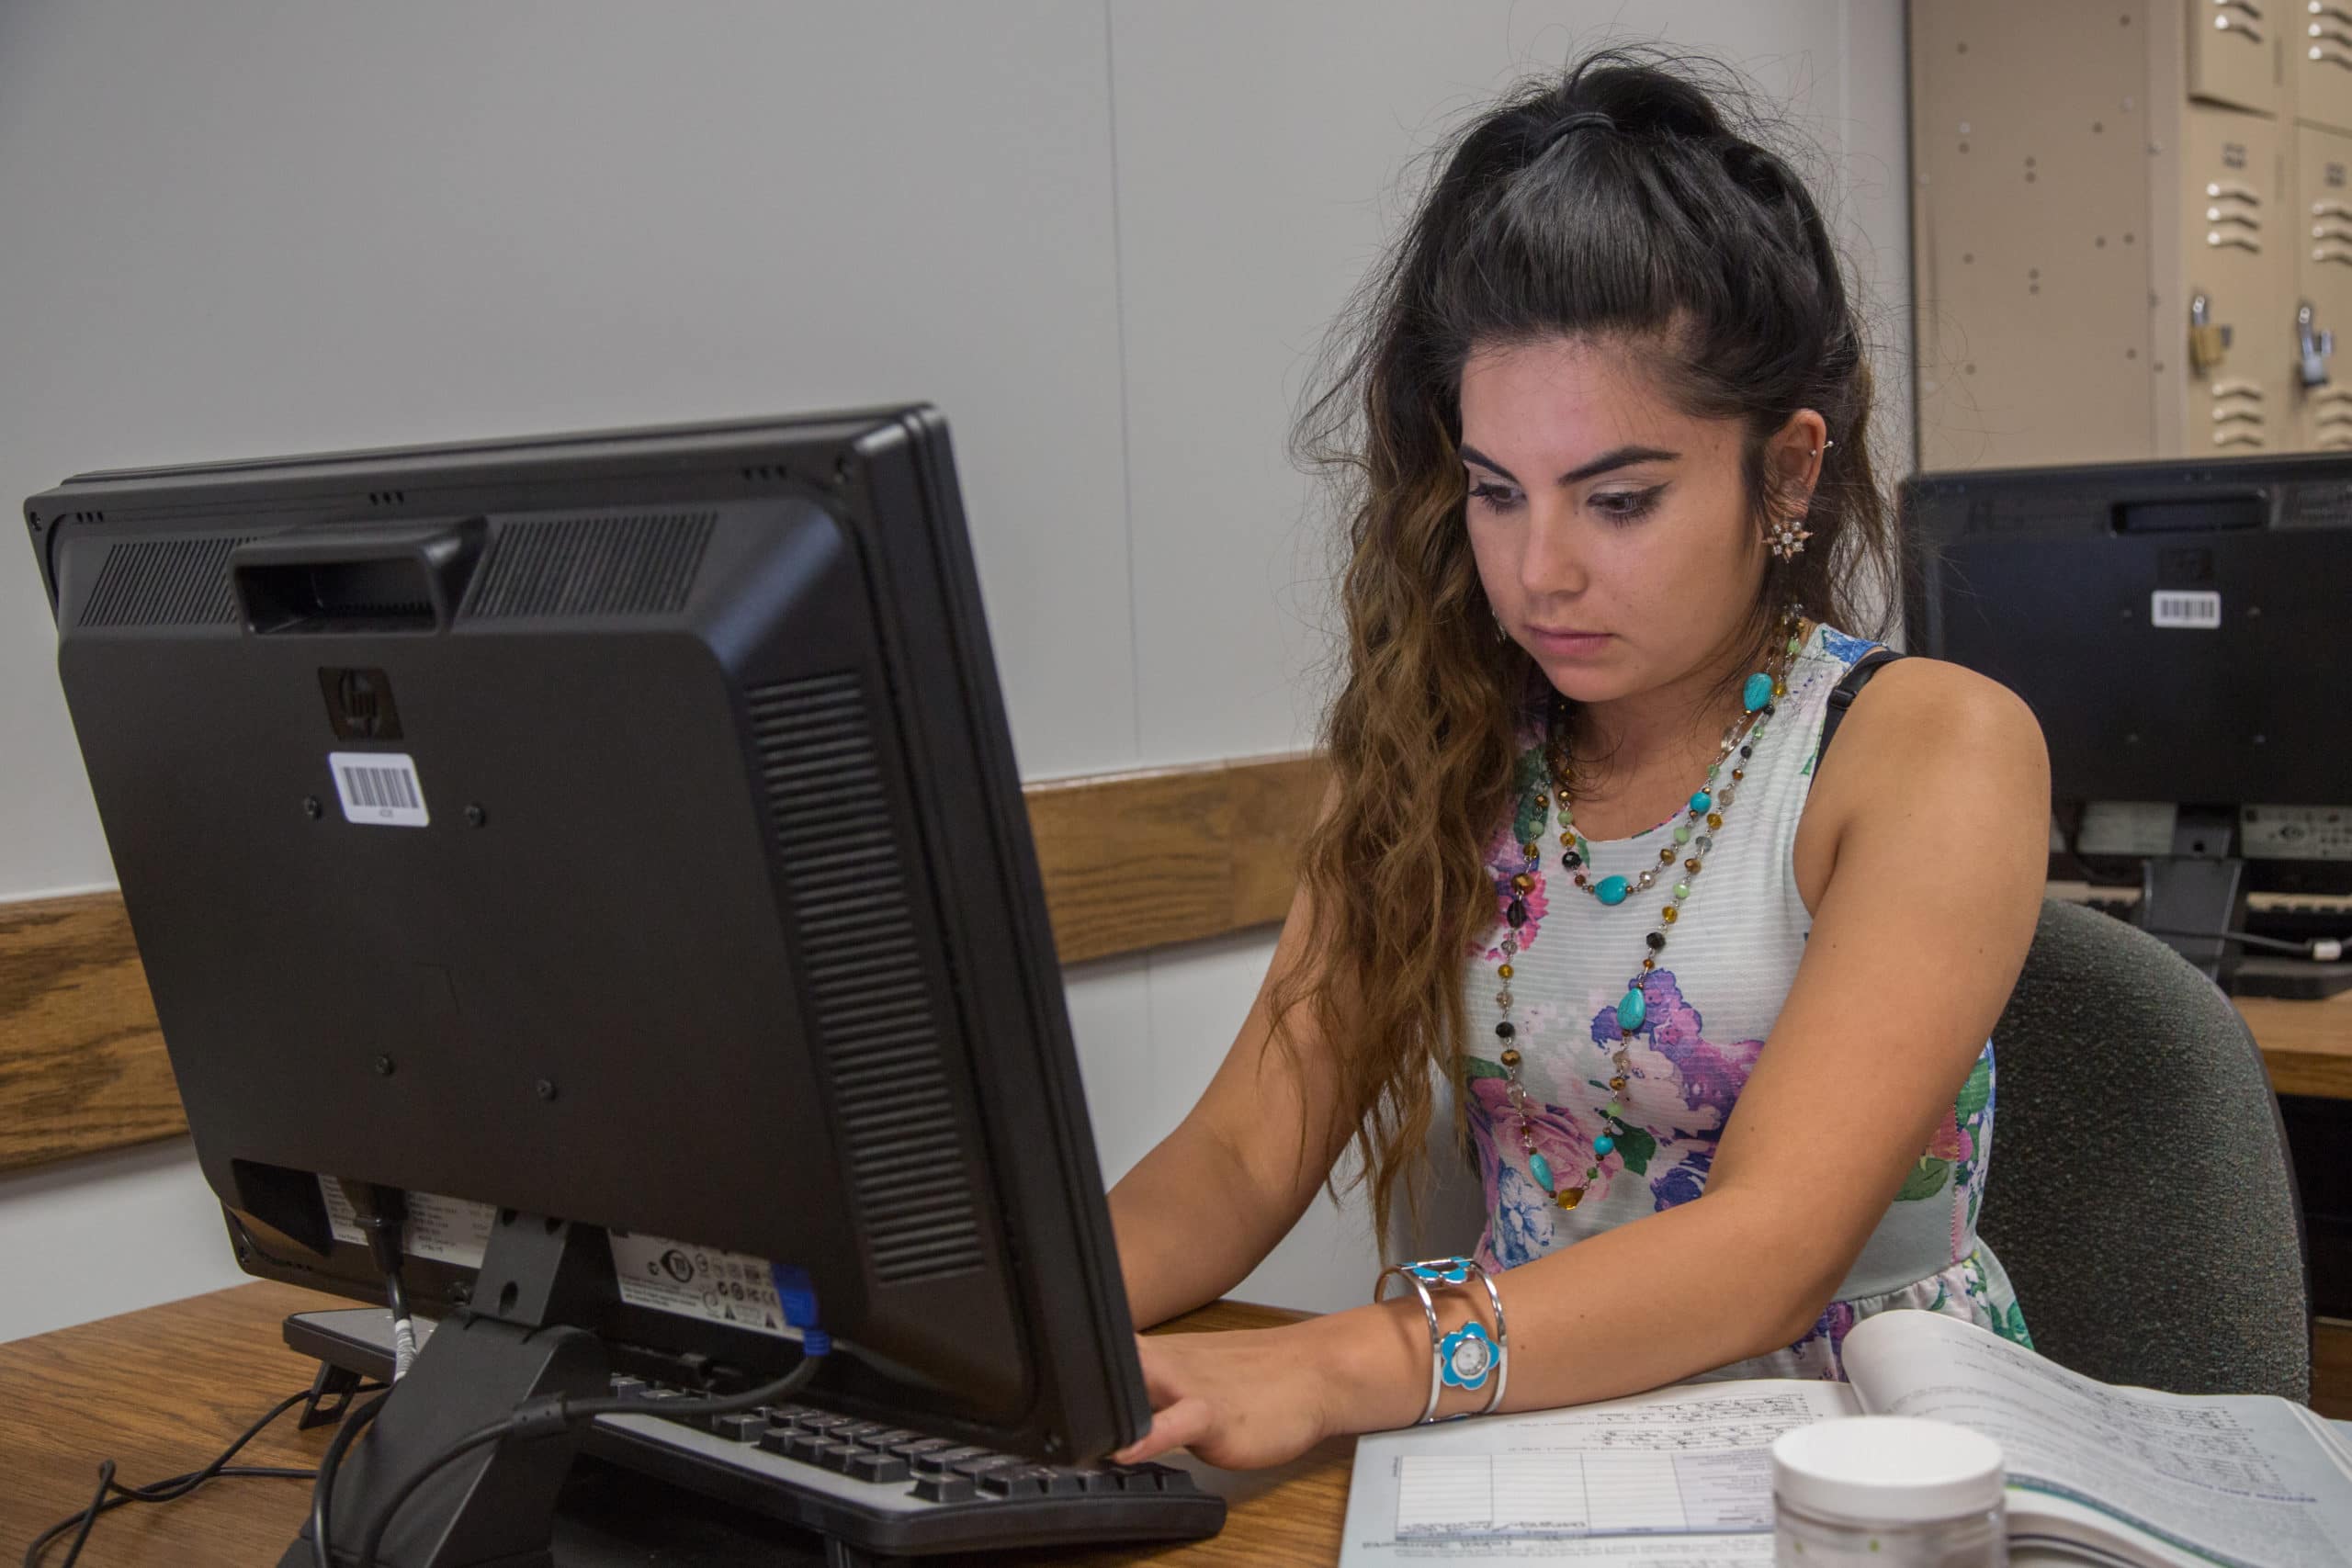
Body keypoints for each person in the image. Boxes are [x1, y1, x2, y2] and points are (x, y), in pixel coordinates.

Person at [1103, 49, 2050, 1472]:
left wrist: (1340, 1361)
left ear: (1787, 472)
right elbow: (1241, 1152)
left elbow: (1765, 1251)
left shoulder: (1928, 748)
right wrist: (1010, 1333)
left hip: (1865, 1461)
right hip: (1525, 1449)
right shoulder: (1446, 750)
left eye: (1618, 499)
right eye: (1496, 494)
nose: (1539, 571)